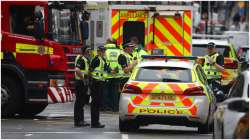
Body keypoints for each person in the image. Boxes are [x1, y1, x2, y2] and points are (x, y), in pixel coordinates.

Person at [90, 45, 111, 128]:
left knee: (97, 103)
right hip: (96, 83)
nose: (103, 53)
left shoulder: (103, 60)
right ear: (98, 52)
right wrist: (90, 81)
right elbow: (90, 70)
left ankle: (96, 122)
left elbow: (107, 70)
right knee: (95, 103)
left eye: (104, 51)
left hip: (100, 83)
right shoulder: (96, 59)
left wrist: (113, 70)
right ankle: (94, 123)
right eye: (102, 51)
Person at [74, 47, 91, 127]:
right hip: (80, 83)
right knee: (79, 102)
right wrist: (83, 78)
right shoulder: (82, 59)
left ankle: (81, 120)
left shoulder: (85, 59)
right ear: (85, 52)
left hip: (82, 83)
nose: (90, 53)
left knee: (81, 103)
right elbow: (77, 70)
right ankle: (78, 121)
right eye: (88, 51)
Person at [103, 38, 121, 112]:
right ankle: (115, 108)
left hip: (107, 75)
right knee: (115, 92)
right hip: (117, 74)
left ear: (108, 42)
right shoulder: (119, 51)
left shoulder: (105, 51)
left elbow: (104, 63)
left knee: (106, 92)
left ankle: (107, 107)